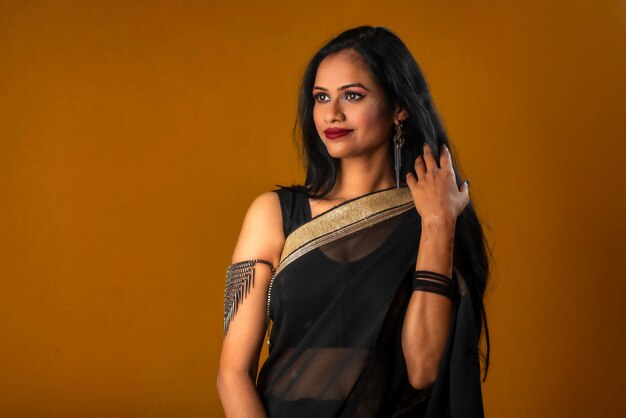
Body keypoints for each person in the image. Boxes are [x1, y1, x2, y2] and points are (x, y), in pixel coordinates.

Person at [217, 26, 491, 418]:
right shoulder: (275, 215)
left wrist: (437, 222)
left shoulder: (430, 220)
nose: (332, 113)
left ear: (399, 106)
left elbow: (424, 369)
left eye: (353, 95)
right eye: (321, 97)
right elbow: (232, 374)